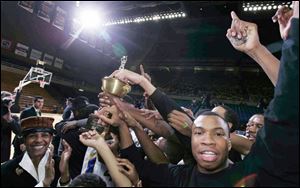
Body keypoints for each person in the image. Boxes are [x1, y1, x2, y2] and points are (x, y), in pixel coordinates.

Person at [111, 3, 299, 185]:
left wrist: (284, 40)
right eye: (199, 133)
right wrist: (123, 121)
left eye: (218, 133)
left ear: (229, 142)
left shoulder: (252, 174)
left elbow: (290, 102)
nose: (207, 140)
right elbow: (138, 165)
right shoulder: (178, 177)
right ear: (190, 139)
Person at [1, 116, 72, 187]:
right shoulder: (7, 170)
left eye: (44, 135)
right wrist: (45, 183)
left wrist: (65, 177)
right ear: (24, 140)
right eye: (32, 136)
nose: (39, 140)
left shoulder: (61, 165)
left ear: (51, 139)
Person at [1, 91, 21, 162]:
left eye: (9, 101)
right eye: (5, 101)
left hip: (4, 152)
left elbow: (19, 132)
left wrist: (10, 120)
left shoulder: (13, 118)